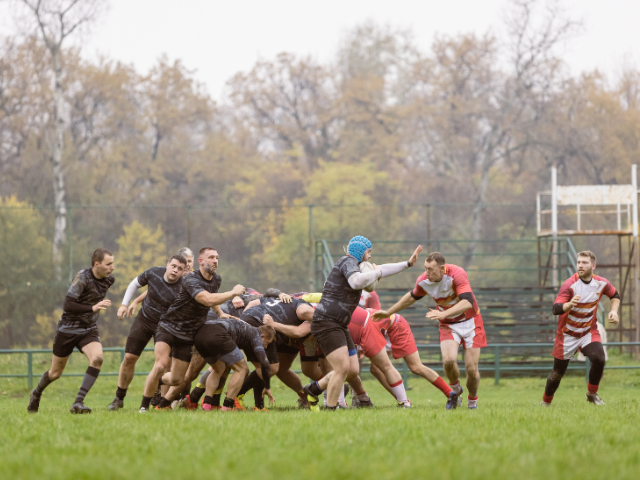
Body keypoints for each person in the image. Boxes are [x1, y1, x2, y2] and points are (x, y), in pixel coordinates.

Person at [303, 236, 423, 410]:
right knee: (342, 368)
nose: (370, 256)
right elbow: (355, 281)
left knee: (352, 370)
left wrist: (408, 264)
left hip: (340, 324)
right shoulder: (348, 262)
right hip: (327, 322)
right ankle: (330, 409)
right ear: (360, 252)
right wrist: (376, 273)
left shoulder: (354, 265)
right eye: (368, 252)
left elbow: (382, 268)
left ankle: (313, 389)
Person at [372, 252, 485, 409]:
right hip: (448, 324)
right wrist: (388, 312)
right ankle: (455, 389)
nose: (427, 273)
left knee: (472, 369)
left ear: (442, 268)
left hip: (472, 322)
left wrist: (443, 313)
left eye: (431, 269)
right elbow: (411, 297)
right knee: (449, 361)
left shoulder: (457, 274)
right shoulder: (424, 280)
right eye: (425, 268)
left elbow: (467, 302)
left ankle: (472, 402)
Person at [138, 247, 245, 412]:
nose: (215, 261)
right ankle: (144, 407)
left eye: (217, 257)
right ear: (200, 261)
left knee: (176, 379)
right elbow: (207, 299)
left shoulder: (216, 279)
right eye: (211, 257)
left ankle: (158, 381)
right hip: (168, 327)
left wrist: (221, 313)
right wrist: (233, 293)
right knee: (160, 365)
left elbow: (213, 298)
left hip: (187, 336)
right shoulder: (190, 279)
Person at [28, 249, 115, 414]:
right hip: (67, 329)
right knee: (55, 373)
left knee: (97, 359)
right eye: (109, 264)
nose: (113, 267)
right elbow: (68, 305)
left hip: (88, 329)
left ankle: (78, 402)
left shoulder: (109, 280)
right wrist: (93, 307)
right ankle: (36, 392)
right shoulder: (82, 278)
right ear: (97, 264)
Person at [106, 254, 187, 410]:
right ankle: (119, 398)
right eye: (174, 266)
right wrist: (125, 304)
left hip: (165, 326)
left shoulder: (185, 286)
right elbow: (134, 285)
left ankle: (163, 403)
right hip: (144, 320)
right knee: (129, 357)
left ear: (184, 272)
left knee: (163, 365)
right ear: (168, 264)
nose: (175, 270)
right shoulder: (153, 273)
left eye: (180, 269)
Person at [541, 250, 620, 406]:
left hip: (588, 332)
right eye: (578, 262)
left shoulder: (601, 283)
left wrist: (613, 311)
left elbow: (614, 295)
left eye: (584, 262)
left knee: (599, 358)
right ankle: (546, 402)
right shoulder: (569, 285)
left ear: (593, 266)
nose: (580, 265)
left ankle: (592, 394)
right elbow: (555, 308)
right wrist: (567, 305)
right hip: (567, 335)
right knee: (557, 374)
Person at [371, 310, 457, 408]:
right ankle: (403, 401)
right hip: (381, 331)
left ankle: (451, 394)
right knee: (376, 369)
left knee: (416, 367)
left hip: (395, 326)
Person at [194, 318, 276, 411]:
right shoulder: (255, 334)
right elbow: (264, 363)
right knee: (242, 369)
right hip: (217, 333)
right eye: (267, 343)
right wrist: (267, 386)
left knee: (218, 369)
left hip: (200, 336)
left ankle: (207, 405)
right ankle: (227, 406)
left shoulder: (246, 328)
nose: (265, 346)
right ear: (262, 336)